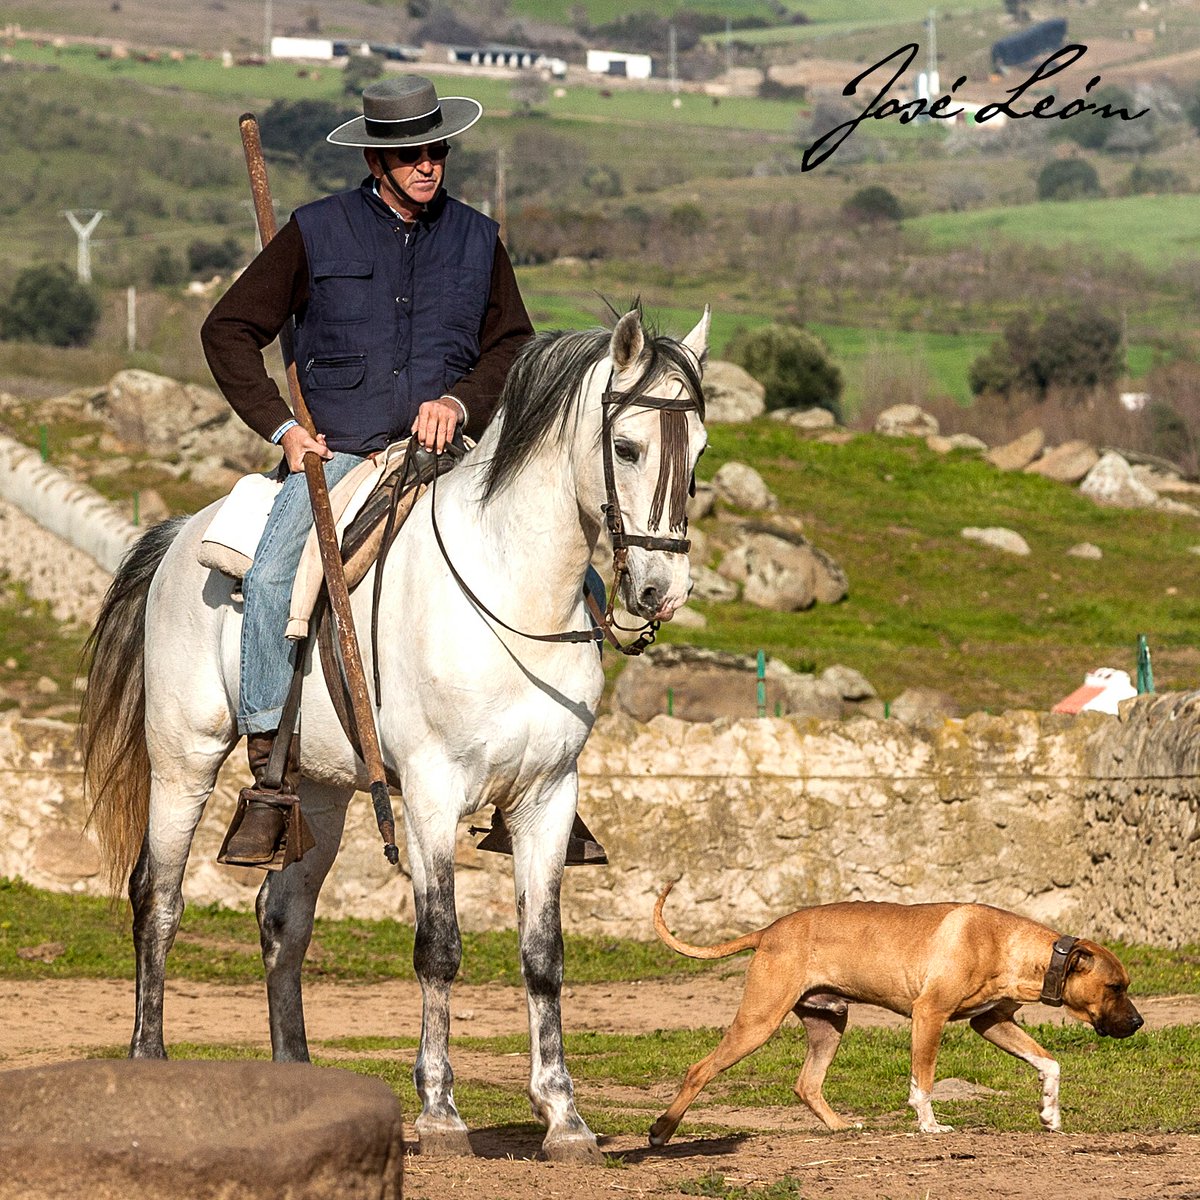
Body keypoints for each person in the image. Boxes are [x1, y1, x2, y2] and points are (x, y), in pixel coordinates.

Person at [201, 75, 605, 868]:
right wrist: (284, 429)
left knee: (573, 580)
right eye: (412, 152)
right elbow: (228, 331)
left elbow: (512, 346)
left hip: (451, 457)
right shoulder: (315, 232)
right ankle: (270, 780)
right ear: (378, 160)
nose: (430, 164)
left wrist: (459, 400)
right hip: (340, 452)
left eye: (438, 149)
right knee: (282, 574)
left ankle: (548, 768)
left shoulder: (479, 239)